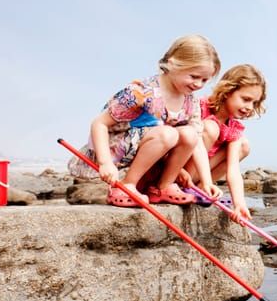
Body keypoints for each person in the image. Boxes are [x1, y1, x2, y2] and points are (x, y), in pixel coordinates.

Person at [69, 35, 224, 208]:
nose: (198, 84)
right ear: (173, 64)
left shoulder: (190, 101)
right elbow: (99, 123)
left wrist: (206, 182)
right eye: (194, 76)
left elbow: (196, 143)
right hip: (117, 150)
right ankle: (127, 186)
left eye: (204, 80)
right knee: (168, 133)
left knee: (190, 133)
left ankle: (162, 187)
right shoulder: (142, 92)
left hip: (153, 152)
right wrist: (105, 163)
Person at [199, 63, 267, 220]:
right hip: (182, 170)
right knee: (211, 127)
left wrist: (239, 203)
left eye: (254, 103)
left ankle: (201, 187)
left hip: (202, 175)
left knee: (243, 145)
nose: (249, 107)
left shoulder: (234, 128)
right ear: (227, 91)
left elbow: (233, 170)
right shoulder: (199, 107)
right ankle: (201, 184)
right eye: (246, 99)